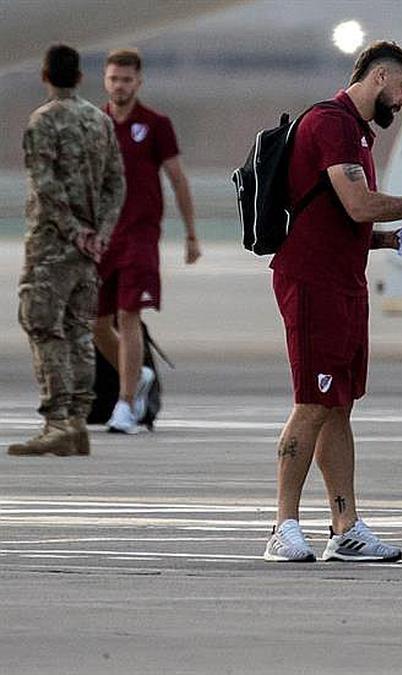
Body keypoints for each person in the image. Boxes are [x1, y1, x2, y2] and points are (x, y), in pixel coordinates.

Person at [263, 41, 402, 562]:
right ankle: (282, 526)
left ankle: (345, 527)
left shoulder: (357, 133)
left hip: (344, 281)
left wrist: (397, 238)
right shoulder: (332, 124)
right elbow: (357, 205)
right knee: (312, 402)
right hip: (313, 283)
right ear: (379, 78)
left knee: (338, 406)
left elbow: (343, 220)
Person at [9, 45, 125, 457]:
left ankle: (57, 422)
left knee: (43, 326)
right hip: (88, 250)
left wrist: (74, 232)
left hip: (52, 245)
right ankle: (77, 421)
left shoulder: (43, 121)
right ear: (79, 77)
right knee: (78, 330)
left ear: (45, 76)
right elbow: (116, 183)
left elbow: (45, 185)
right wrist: (99, 234)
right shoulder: (99, 120)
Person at [92, 49, 200, 434]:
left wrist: (190, 233)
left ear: (138, 82)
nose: (119, 86)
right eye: (113, 79)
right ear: (105, 81)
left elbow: (177, 179)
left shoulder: (155, 124)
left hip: (140, 236)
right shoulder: (95, 124)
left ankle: (124, 405)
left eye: (126, 79)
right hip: (103, 237)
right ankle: (137, 376)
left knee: (128, 314)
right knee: (96, 322)